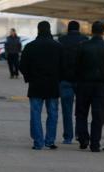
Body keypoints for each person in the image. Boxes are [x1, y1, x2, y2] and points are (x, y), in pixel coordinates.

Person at [20, 21, 63, 150]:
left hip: (36, 85)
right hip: (53, 85)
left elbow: (22, 66)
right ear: (49, 30)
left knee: (35, 114)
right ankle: (50, 141)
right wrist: (58, 79)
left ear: (38, 30)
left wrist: (29, 78)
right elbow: (64, 66)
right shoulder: (58, 47)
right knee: (53, 114)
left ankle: (38, 142)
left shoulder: (30, 46)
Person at [75, 21, 104, 152]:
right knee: (98, 115)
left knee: (81, 113)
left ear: (92, 31)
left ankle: (83, 139)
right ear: (103, 31)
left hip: (84, 84)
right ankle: (95, 144)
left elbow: (77, 66)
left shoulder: (82, 46)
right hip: (101, 85)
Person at [58, 21, 88, 144]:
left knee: (67, 110)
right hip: (82, 80)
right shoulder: (85, 40)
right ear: (78, 29)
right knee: (81, 110)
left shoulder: (61, 40)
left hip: (65, 79)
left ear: (68, 29)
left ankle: (68, 137)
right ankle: (80, 134)